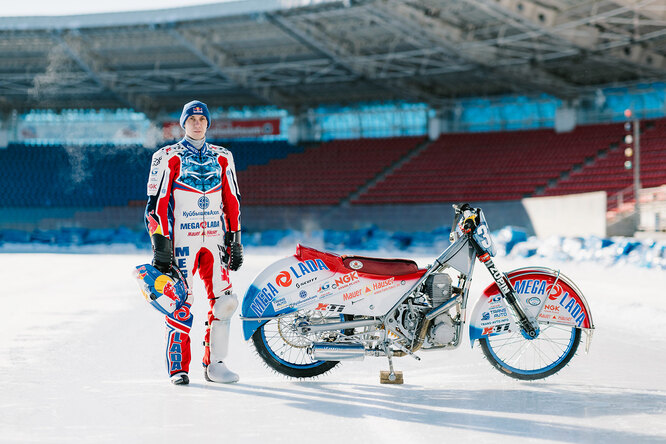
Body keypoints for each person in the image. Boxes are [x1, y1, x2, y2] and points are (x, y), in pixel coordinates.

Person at [144, 100, 243, 385]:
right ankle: (179, 368)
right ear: (183, 123)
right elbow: (154, 205)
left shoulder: (224, 156)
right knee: (180, 302)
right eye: (192, 119)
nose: (197, 123)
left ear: (208, 123)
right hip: (181, 241)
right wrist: (160, 242)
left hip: (214, 240)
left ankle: (216, 364)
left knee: (225, 302)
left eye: (202, 119)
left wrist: (235, 238)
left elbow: (232, 200)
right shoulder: (166, 156)